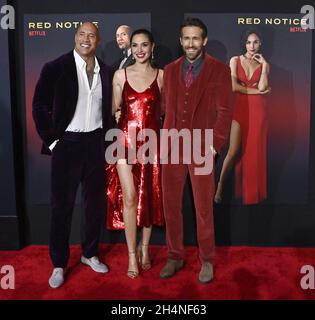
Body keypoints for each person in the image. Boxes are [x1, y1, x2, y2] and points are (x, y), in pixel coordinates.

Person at [32, 22, 113, 288]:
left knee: (94, 206)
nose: (86, 39)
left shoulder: (107, 71)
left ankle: (90, 254)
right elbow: (39, 106)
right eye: (81, 34)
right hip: (66, 144)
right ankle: (58, 263)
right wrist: (53, 142)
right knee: (61, 207)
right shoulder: (55, 68)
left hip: (95, 144)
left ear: (98, 40)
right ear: (75, 37)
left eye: (91, 35)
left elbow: (110, 112)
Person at [159, 17, 233, 283]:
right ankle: (175, 256)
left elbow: (225, 112)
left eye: (195, 38)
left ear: (203, 40)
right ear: (181, 41)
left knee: (203, 208)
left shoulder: (220, 70)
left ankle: (207, 260)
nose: (190, 43)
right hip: (171, 149)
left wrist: (214, 145)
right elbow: (165, 109)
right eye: (186, 38)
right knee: (171, 206)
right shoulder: (169, 70)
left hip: (202, 148)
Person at [106, 29, 164, 279]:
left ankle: (144, 248)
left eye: (144, 45)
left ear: (152, 46)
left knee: (148, 197)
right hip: (124, 143)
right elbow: (113, 111)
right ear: (130, 48)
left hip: (151, 144)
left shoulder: (162, 76)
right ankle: (131, 255)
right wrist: (118, 116)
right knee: (129, 196)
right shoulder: (120, 75)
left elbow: (165, 112)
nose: (139, 50)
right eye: (135, 45)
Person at [214, 30, 270, 205]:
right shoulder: (235, 60)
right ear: (244, 44)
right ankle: (220, 187)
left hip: (258, 111)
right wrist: (257, 92)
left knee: (254, 152)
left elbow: (263, 86)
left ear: (261, 44)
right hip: (239, 109)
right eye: (248, 42)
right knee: (233, 151)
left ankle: (252, 193)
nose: (252, 46)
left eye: (255, 42)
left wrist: (265, 68)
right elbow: (233, 86)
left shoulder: (264, 65)